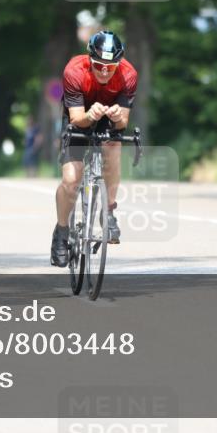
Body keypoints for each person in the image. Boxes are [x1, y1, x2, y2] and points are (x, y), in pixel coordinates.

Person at [51, 30, 137, 267]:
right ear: (90, 60)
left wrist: (118, 118)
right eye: (99, 66)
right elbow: (77, 118)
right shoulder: (74, 71)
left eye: (110, 67)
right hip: (80, 115)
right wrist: (90, 115)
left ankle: (108, 211)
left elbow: (123, 122)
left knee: (113, 146)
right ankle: (61, 231)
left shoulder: (128, 75)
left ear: (118, 64)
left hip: (108, 115)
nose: (104, 71)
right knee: (71, 179)